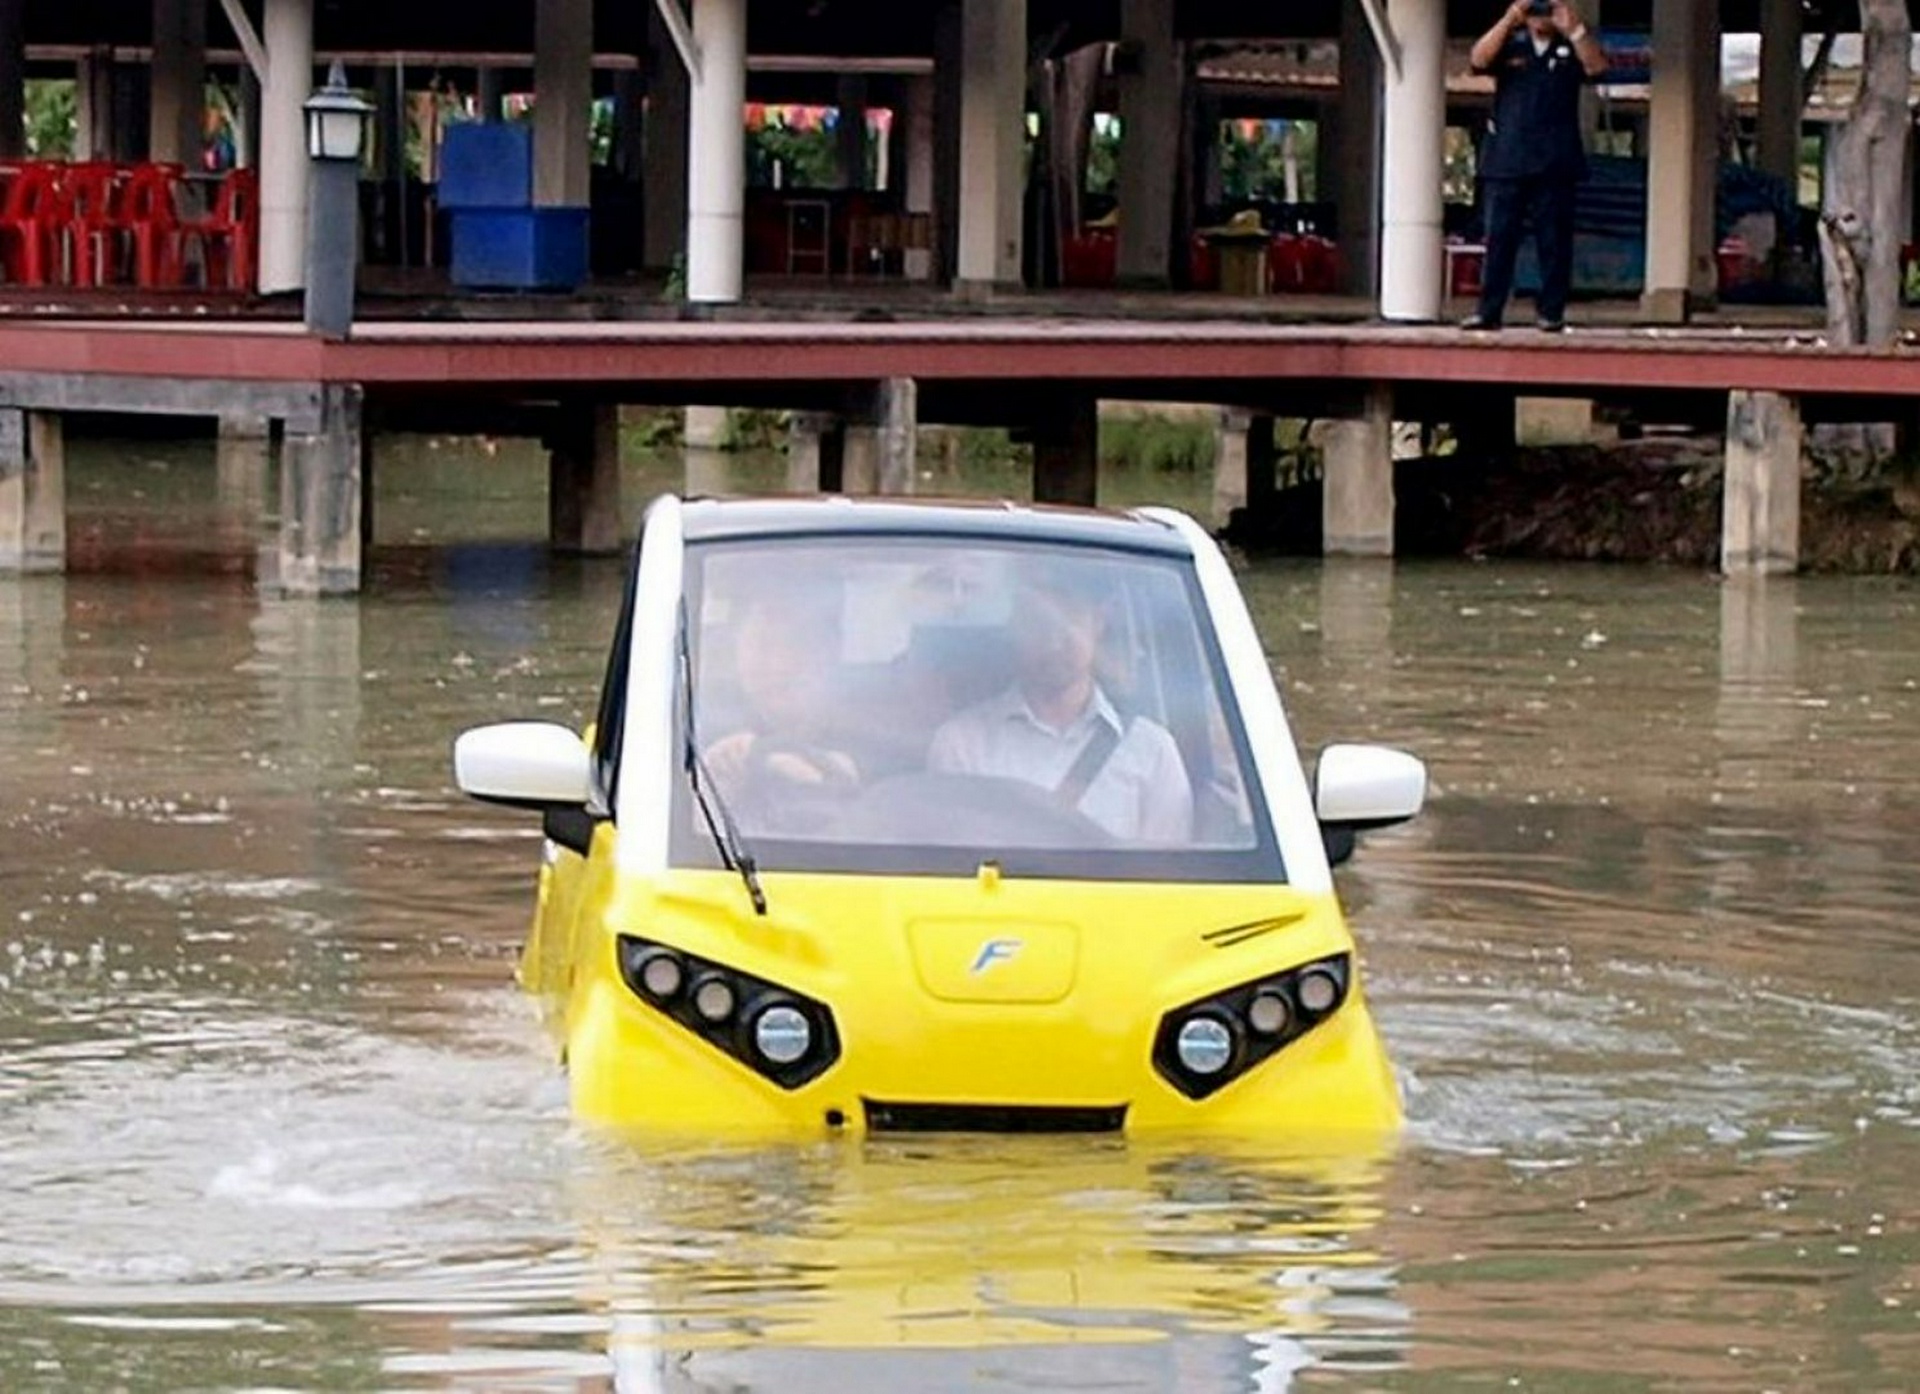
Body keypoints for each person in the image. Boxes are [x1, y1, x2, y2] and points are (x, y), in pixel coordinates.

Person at [926, 559, 1192, 844]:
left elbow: (1168, 875)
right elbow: (954, 869)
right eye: (1038, 623)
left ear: (1098, 622)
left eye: (1069, 622)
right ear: (1015, 628)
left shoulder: (1152, 751)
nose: (1053, 642)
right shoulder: (962, 744)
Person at [1463, 0, 1608, 333]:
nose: (1540, 17)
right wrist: (1508, 19)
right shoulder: (1510, 46)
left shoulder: (1569, 48)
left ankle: (1551, 311)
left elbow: (1597, 68)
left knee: (1554, 241)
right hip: (1508, 160)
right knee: (1500, 239)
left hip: (1555, 161)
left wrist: (1575, 29)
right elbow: (1478, 59)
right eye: (1534, 10)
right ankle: (1489, 311)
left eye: (1545, 9)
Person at [701, 591, 860, 829]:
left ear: (832, 650)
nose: (781, 664)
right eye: (762, 645)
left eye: (798, 643)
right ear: (736, 652)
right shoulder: (693, 734)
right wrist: (709, 793)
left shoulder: (880, 736)